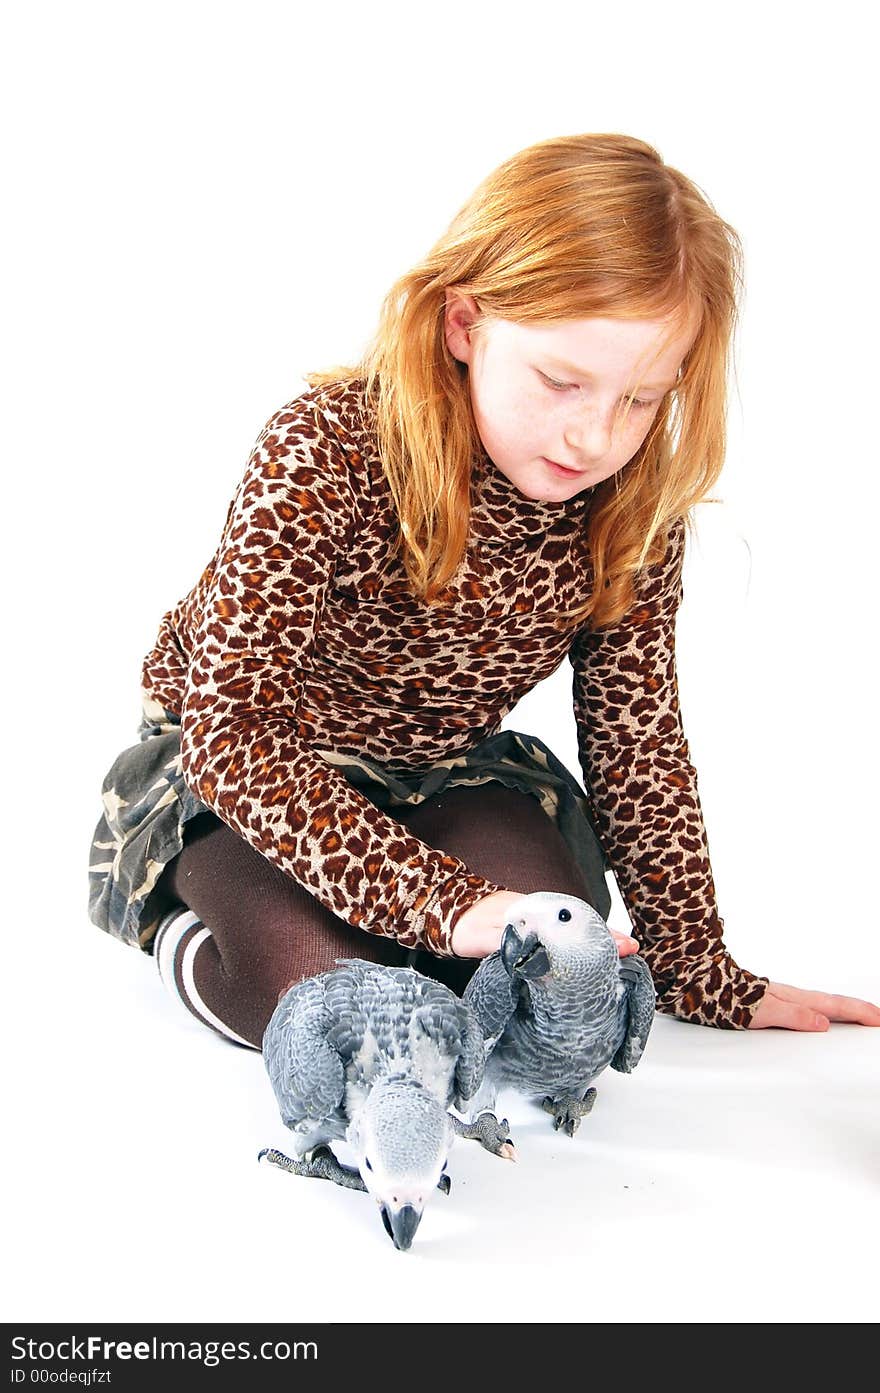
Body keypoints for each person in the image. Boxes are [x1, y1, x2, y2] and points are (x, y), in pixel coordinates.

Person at [88, 132, 880, 1050]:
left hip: (444, 771)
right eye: (561, 381)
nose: (594, 437)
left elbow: (636, 739)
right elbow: (237, 736)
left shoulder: (627, 505)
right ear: (466, 326)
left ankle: (415, 944)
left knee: (555, 962)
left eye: (641, 399)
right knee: (326, 995)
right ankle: (195, 934)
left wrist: (698, 962)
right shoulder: (325, 450)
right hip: (256, 778)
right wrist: (445, 900)